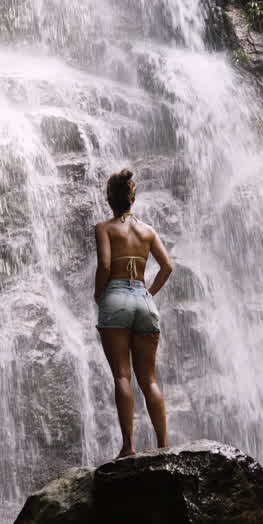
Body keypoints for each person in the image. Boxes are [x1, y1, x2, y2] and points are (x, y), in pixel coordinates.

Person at [93, 168, 174, 459]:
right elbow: (167, 267)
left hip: (116, 298)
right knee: (149, 379)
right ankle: (164, 445)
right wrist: (148, 293)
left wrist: (99, 294)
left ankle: (128, 447)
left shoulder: (104, 228)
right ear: (132, 198)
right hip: (143, 299)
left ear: (110, 199)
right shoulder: (148, 231)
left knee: (122, 377)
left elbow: (104, 265)